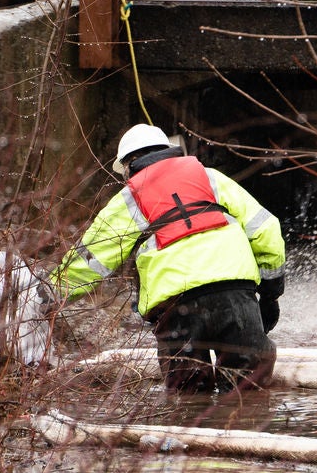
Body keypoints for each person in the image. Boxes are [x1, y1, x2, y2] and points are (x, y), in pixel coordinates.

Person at [50, 124, 286, 394]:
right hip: (234, 294)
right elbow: (266, 230)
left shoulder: (128, 198)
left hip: (176, 308)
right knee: (248, 389)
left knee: (189, 399)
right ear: (169, 151)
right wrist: (270, 293)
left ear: (129, 166)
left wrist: (46, 296)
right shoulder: (210, 178)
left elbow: (90, 261)